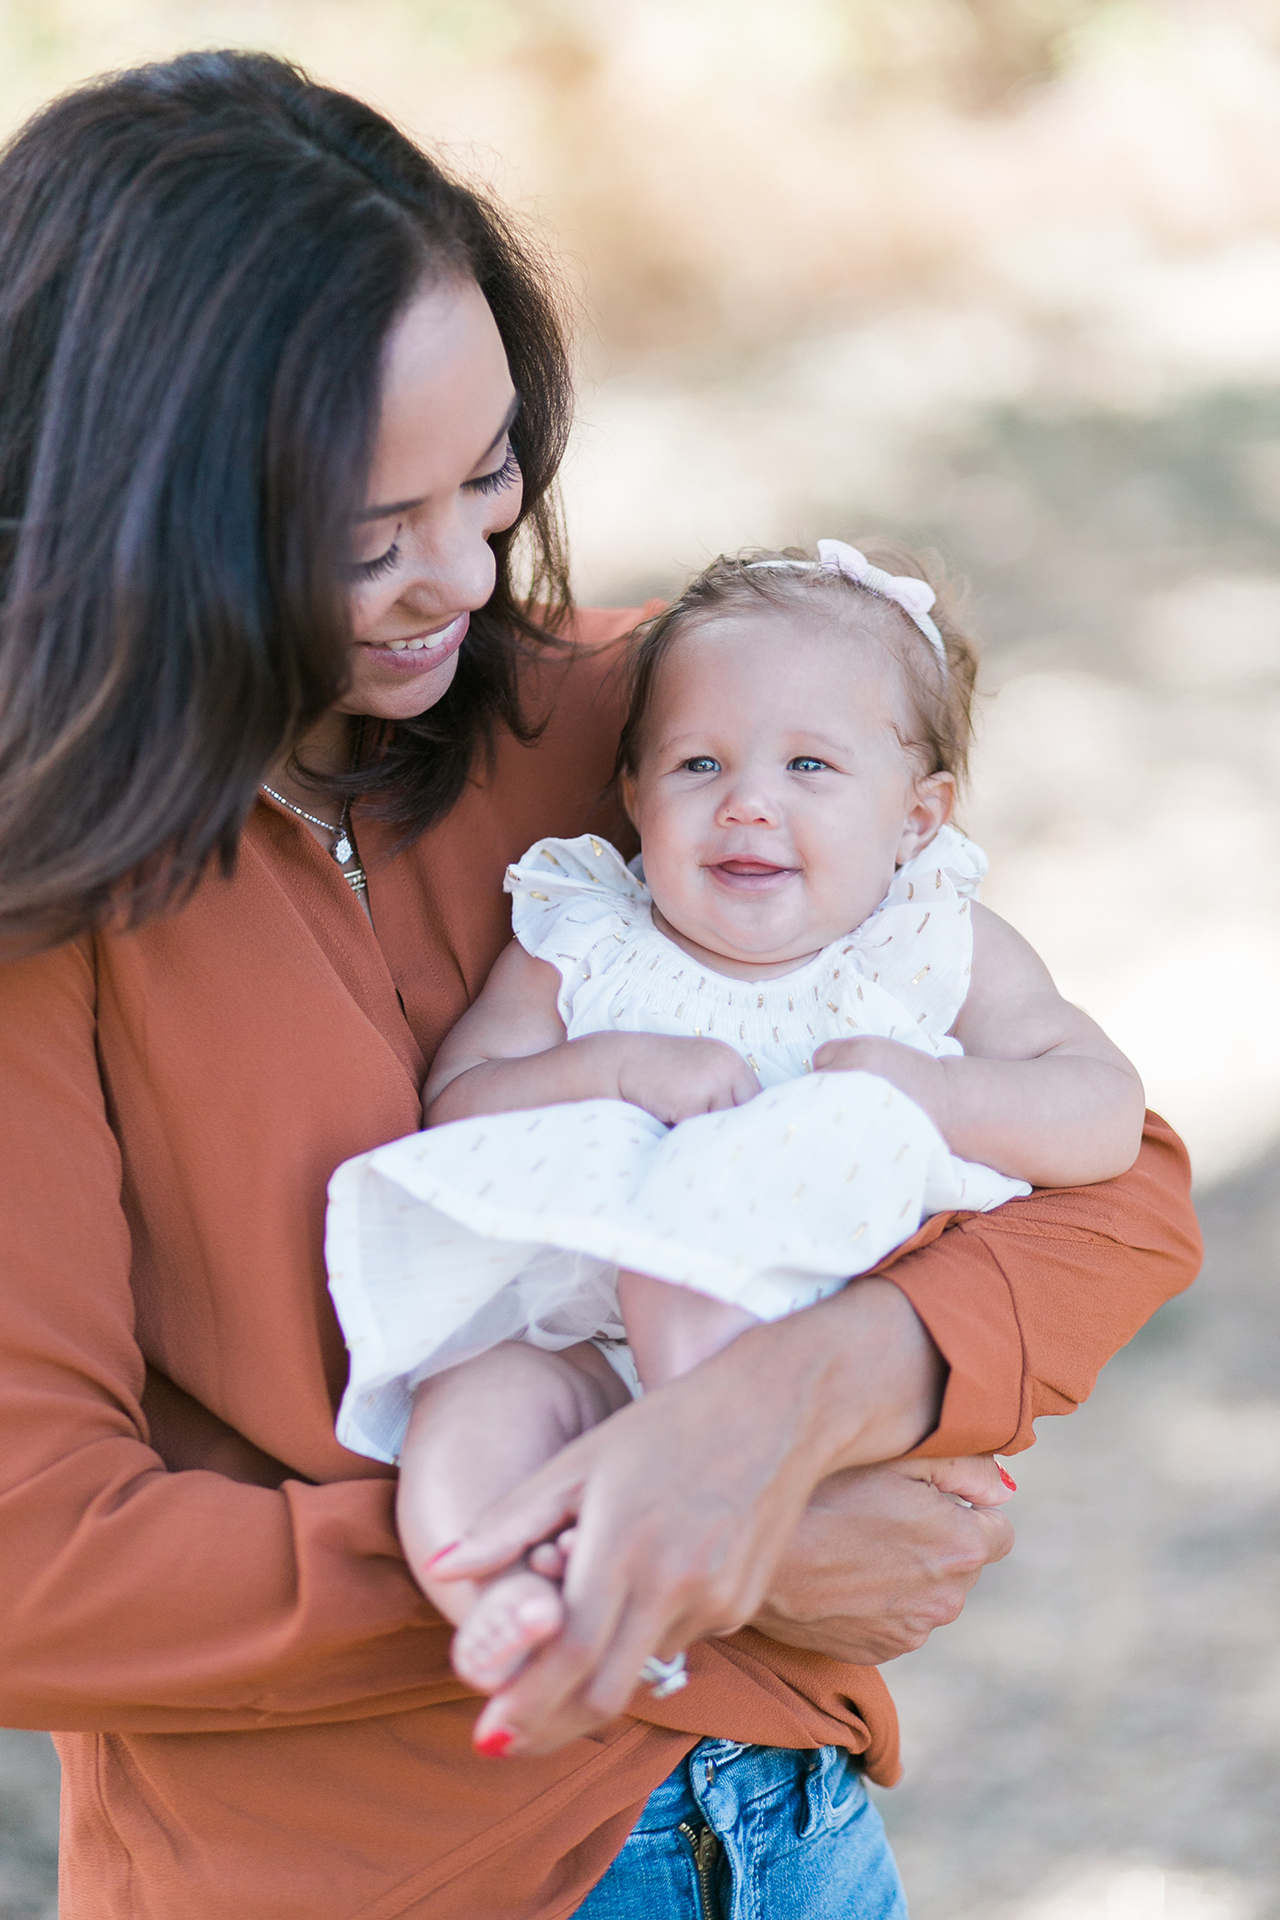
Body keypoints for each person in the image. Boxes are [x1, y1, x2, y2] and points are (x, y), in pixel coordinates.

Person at [0, 48, 1201, 1920]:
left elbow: (1116, 1180)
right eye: (365, 537)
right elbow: (37, 1566)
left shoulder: (651, 725)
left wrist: (791, 1412)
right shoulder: (43, 915)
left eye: (489, 482)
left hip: (782, 1828)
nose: (461, 577)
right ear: (130, 526)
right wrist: (671, 1549)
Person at [328, 537, 1146, 1739]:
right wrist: (609, 1068)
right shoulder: (589, 937)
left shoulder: (926, 943)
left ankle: (653, 1531)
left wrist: (930, 1092)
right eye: (697, 762)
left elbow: (1104, 1112)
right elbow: (460, 1108)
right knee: (473, 1401)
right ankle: (499, 1595)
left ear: (916, 817)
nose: (746, 800)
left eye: (810, 764)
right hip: (589, 1343)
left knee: (824, 1125)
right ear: (635, 797)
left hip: (785, 1371)